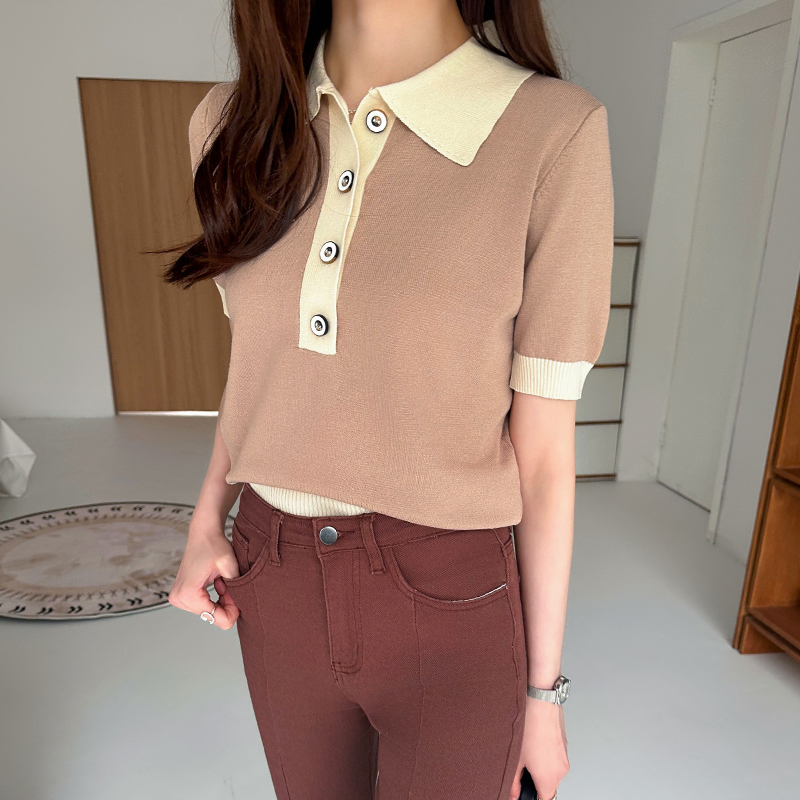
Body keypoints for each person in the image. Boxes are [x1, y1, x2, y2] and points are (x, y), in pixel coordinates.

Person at [167, 1, 614, 799]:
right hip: (274, 573)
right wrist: (208, 516)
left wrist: (542, 695)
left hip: (452, 593)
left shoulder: (553, 131)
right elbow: (260, 369)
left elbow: (545, 453)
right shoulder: (230, 124)